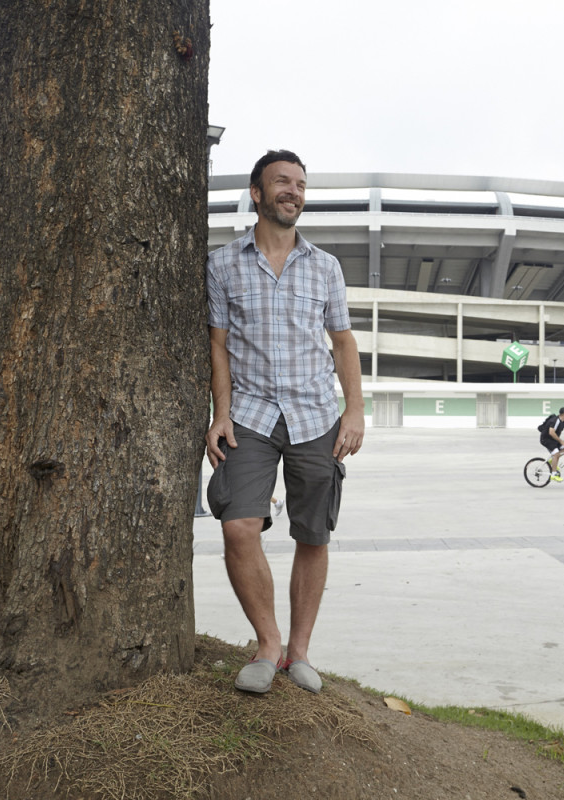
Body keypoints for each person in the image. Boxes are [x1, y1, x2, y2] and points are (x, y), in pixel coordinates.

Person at [205, 149, 364, 696]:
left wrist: (355, 410)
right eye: (281, 182)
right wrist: (219, 413)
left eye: (299, 184)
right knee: (237, 526)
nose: (292, 191)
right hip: (248, 415)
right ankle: (267, 643)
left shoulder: (325, 267)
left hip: (316, 415)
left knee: (312, 534)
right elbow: (218, 345)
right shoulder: (223, 263)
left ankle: (299, 651)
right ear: (257, 192)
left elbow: (343, 342)